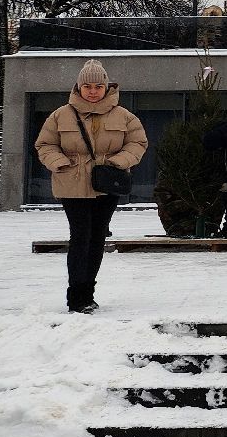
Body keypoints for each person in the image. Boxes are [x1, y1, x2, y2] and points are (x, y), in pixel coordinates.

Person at [34, 60, 147, 314]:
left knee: (97, 238)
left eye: (98, 86)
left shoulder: (124, 116)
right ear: (79, 87)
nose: (93, 91)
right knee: (81, 236)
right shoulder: (61, 115)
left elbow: (138, 143)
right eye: (87, 86)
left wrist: (118, 162)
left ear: (106, 87)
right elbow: (45, 144)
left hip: (107, 184)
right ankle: (76, 296)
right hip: (71, 184)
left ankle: (88, 293)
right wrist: (59, 162)